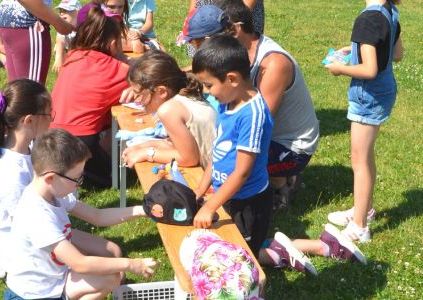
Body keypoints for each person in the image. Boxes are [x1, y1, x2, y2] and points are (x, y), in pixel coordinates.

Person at [184, 2, 320, 210]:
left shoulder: (273, 65)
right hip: (267, 133)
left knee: (223, 160)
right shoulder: (235, 57)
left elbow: (260, 126)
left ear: (235, 30)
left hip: (290, 145)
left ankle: (282, 182)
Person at [4, 128, 157, 299]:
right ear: (50, 179)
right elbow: (80, 263)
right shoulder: (36, 215)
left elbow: (98, 217)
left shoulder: (52, 193)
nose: (79, 184)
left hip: (54, 281)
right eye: (77, 179)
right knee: (113, 274)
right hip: (33, 295)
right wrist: (130, 264)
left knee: (113, 276)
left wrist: (141, 210)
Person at [325, 0, 403, 243]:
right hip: (384, 90)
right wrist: (353, 49)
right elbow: (396, 54)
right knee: (366, 156)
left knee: (359, 161)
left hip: (368, 96)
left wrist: (340, 69)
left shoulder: (367, 19)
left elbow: (369, 70)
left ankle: (359, 227)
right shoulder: (390, 11)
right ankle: (364, 210)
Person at [191, 35, 274, 259]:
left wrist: (211, 207)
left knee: (245, 258)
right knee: (227, 250)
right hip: (226, 195)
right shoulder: (225, 101)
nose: (206, 92)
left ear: (232, 79)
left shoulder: (252, 114)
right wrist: (200, 190)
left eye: (209, 85)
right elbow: (219, 152)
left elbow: (242, 171)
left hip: (249, 202)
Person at [0, 79, 54, 279]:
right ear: (29, 121)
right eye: (48, 114)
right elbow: (25, 222)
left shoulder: (30, 149)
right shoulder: (9, 171)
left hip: (36, 237)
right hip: (24, 254)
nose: (52, 120)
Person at [51, 2, 129, 188]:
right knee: (105, 178)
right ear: (112, 44)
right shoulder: (115, 69)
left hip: (50, 134)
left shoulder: (74, 56)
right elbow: (142, 79)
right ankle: (94, 173)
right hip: (80, 142)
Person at [121, 50, 217, 169]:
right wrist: (145, 146)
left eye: (139, 94)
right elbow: (176, 144)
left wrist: (148, 153)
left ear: (161, 92)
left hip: (215, 179)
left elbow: (189, 158)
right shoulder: (186, 95)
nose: (136, 99)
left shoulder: (168, 110)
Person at [0, 0, 74, 85]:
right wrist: (58, 23)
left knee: (18, 89)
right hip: (28, 22)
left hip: (9, 18)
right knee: (32, 90)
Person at [184, 0, 264, 57]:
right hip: (205, 13)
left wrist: (229, 24)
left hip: (233, 13)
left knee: (233, 56)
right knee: (204, 59)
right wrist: (193, 21)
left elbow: (242, 12)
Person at [51, 0, 81, 73]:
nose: (61, 13)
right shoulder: (64, 28)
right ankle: (63, 70)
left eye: (66, 10)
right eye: (60, 11)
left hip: (82, 53)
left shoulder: (85, 26)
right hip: (69, 52)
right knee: (59, 48)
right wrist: (58, 58)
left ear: (78, 12)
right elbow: (60, 41)